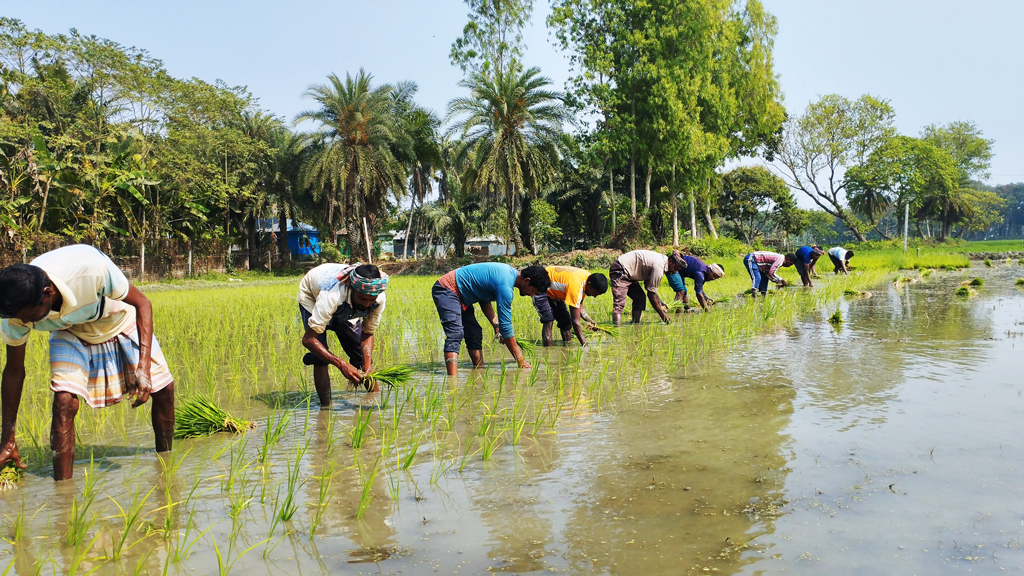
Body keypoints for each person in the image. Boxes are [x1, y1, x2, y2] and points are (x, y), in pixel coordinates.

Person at [0, 245, 175, 480]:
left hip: (117, 317)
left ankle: (166, 466)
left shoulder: (90, 270)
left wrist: (143, 369)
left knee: (163, 390)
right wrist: (7, 438)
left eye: (30, 316)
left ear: (48, 292)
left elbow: (143, 303)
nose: (25, 322)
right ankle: (63, 494)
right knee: (64, 402)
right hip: (69, 329)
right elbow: (14, 371)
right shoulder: (15, 312)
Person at [432, 263, 550, 376]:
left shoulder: (507, 274)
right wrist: (520, 360)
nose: (532, 295)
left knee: (474, 333)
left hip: (461, 295)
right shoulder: (505, 286)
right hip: (447, 288)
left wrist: (496, 325)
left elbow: (484, 297)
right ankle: (452, 382)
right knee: (455, 334)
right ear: (527, 281)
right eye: (534, 291)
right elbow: (506, 327)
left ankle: (479, 372)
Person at [298, 263, 388, 406]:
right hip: (313, 296)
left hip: (345, 304)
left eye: (371, 299)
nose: (366, 305)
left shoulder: (378, 298)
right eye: (363, 299)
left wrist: (367, 365)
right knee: (320, 358)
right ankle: (326, 409)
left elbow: (368, 332)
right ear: (352, 288)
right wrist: (341, 364)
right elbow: (309, 339)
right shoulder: (332, 295)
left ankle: (375, 401)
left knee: (361, 355)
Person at [532, 266, 608, 347]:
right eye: (595, 293)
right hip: (539, 286)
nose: (594, 296)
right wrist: (585, 344)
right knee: (548, 320)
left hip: (556, 295)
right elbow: (575, 321)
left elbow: (579, 305)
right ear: (589, 285)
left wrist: (590, 321)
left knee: (566, 322)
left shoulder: (588, 278)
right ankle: (547, 352)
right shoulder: (576, 285)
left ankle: (567, 347)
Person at [609, 250, 685, 325]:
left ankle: (635, 324)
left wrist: (659, 300)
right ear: (670, 261)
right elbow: (651, 294)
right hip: (621, 269)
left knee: (640, 297)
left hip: (630, 274)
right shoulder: (659, 267)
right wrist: (663, 315)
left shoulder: (661, 262)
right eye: (675, 268)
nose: (675, 272)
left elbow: (648, 285)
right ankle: (616, 331)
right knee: (619, 304)